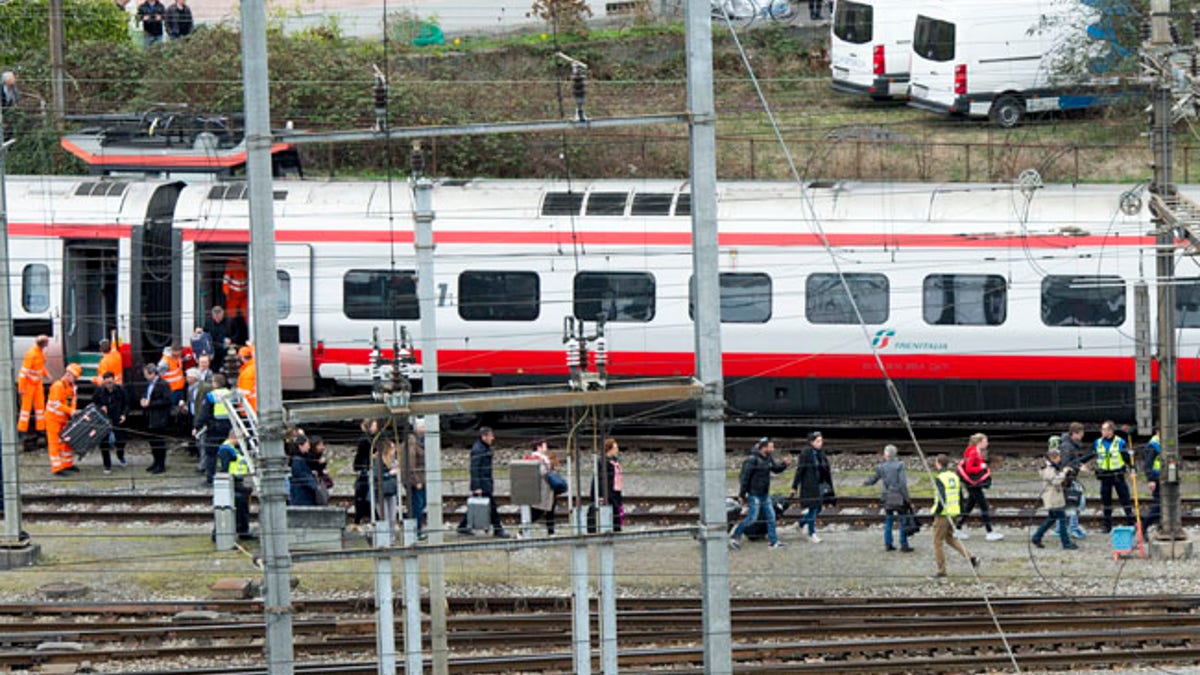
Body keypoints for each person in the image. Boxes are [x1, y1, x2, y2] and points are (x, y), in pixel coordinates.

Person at [729, 437, 790, 550]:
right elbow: (745, 478)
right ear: (764, 447)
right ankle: (735, 536)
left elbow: (775, 469)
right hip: (754, 494)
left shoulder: (768, 458)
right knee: (752, 518)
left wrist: (784, 465)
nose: (773, 449)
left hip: (764, 494)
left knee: (771, 517)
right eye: (771, 447)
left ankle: (773, 542)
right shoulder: (752, 460)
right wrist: (742, 494)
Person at [931, 454, 980, 579]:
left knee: (937, 542)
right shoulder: (954, 476)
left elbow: (942, 497)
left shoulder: (940, 478)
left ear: (938, 463)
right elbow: (960, 496)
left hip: (943, 514)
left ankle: (941, 571)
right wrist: (961, 512)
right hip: (954, 512)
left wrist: (937, 511)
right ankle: (971, 557)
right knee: (949, 538)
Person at [457, 427, 510, 538]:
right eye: (490, 436)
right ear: (484, 437)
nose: (492, 438)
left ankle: (462, 527)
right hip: (482, 484)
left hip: (485, 483)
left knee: (479, 505)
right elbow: (474, 469)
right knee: (492, 506)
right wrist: (477, 486)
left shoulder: (483, 448)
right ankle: (498, 529)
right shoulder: (478, 449)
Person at [863, 443, 913, 552]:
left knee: (889, 520)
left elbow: (874, 479)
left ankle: (888, 543)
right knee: (902, 520)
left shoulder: (882, 467)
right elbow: (902, 483)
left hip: (887, 497)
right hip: (899, 497)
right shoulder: (900, 465)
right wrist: (907, 498)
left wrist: (866, 483)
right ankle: (904, 544)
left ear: (886, 455)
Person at [956, 433, 1003, 541]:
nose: (987, 443)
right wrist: (981, 467)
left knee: (970, 506)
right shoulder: (974, 453)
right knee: (983, 506)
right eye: (985, 441)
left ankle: (958, 528)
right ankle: (989, 532)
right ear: (979, 442)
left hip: (972, 483)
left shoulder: (976, 452)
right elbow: (969, 469)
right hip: (973, 483)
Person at [791, 431, 834, 543]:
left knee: (818, 508)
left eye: (821, 441)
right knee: (813, 509)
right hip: (810, 486)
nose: (820, 443)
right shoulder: (806, 453)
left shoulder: (820, 453)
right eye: (818, 441)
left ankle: (800, 523)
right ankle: (811, 533)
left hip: (820, 484)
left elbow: (825, 467)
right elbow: (800, 470)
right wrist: (794, 486)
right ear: (811, 442)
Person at [1032, 447, 1078, 550]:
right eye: (1059, 457)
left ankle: (1036, 537)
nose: (1060, 459)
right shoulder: (1047, 469)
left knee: (1051, 519)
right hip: (1053, 498)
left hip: (1054, 498)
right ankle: (1066, 543)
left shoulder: (1052, 467)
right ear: (1053, 458)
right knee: (1062, 520)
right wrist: (1064, 472)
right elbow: (1055, 481)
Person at [1094, 420, 1135, 533]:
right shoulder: (1098, 442)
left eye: (1104, 429)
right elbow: (1090, 454)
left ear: (1111, 431)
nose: (1102, 431)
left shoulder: (1120, 442)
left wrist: (1132, 469)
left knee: (1125, 499)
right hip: (1105, 475)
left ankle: (1131, 523)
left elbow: (1128, 458)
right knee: (1106, 501)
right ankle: (1107, 525)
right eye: (1102, 429)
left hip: (1118, 475)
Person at [216, 428, 255, 540]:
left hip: (237, 482)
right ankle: (242, 531)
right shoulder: (226, 449)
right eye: (240, 438)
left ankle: (243, 530)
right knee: (237, 509)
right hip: (233, 483)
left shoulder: (233, 449)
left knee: (241, 508)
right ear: (234, 437)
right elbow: (225, 469)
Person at [193, 373, 232, 485]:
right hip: (228, 427)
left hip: (214, 427)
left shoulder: (211, 396)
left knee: (211, 453)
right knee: (226, 451)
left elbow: (204, 414)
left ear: (215, 383)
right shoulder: (229, 394)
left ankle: (211, 479)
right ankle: (226, 476)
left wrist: (197, 426)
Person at [45, 364, 82, 475]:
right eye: (73, 376)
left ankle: (67, 464)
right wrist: (71, 412)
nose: (74, 379)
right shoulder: (58, 386)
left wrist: (72, 412)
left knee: (66, 441)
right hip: (53, 419)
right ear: (68, 374)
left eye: (75, 377)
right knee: (54, 443)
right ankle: (57, 468)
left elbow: (73, 401)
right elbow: (57, 404)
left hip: (64, 419)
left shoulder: (72, 387)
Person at [18, 335, 51, 448]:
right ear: (42, 344)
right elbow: (23, 373)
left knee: (40, 408)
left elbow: (40, 367)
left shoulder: (40, 352)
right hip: (28, 385)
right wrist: (21, 388)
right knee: (26, 410)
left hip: (37, 384)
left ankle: (40, 428)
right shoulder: (31, 354)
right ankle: (22, 431)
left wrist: (47, 375)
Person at [1057, 422, 1088, 539]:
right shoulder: (1067, 446)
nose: (1082, 436)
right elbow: (1065, 465)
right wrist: (1079, 467)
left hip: (1070, 478)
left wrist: (1078, 464)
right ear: (1074, 433)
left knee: (1066, 504)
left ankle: (1060, 529)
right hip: (1068, 479)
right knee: (1077, 503)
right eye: (1081, 433)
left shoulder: (1070, 445)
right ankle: (1072, 528)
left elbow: (1071, 461)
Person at [93, 371, 129, 473]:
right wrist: (100, 407)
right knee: (104, 443)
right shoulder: (99, 391)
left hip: (118, 418)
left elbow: (127, 404)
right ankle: (107, 465)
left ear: (114, 381)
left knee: (121, 440)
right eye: (107, 383)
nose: (109, 385)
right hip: (104, 419)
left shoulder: (121, 390)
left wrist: (124, 414)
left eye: (111, 382)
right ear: (104, 382)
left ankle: (120, 455)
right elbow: (94, 403)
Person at [140, 362, 172, 474]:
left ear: (153, 373)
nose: (145, 376)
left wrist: (150, 403)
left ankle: (161, 465)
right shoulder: (149, 384)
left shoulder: (163, 384)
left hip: (159, 417)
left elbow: (167, 400)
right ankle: (155, 462)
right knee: (152, 442)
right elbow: (146, 394)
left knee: (159, 442)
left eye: (146, 374)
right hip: (149, 416)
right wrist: (143, 399)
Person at [524, 438, 557, 536]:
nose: (546, 447)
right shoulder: (538, 459)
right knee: (538, 512)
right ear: (539, 447)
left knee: (550, 510)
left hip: (546, 489)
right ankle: (521, 532)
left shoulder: (540, 458)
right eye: (544, 445)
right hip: (543, 489)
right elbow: (543, 473)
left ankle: (551, 532)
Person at [591, 437, 625, 533]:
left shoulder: (614, 462)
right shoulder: (603, 462)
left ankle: (616, 530)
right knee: (612, 515)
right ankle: (614, 531)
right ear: (609, 450)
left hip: (615, 492)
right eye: (615, 448)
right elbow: (599, 480)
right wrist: (600, 495)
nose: (617, 450)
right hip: (608, 493)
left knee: (616, 513)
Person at [403, 418, 428, 537]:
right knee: (418, 504)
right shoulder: (412, 443)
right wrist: (416, 481)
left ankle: (413, 526)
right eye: (424, 427)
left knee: (420, 503)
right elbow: (410, 463)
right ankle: (416, 530)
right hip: (415, 480)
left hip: (420, 478)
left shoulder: (418, 441)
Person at [353, 419, 378, 526]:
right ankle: (370, 517)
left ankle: (360, 518)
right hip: (366, 469)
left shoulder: (367, 438)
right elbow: (365, 455)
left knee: (363, 495)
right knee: (366, 495)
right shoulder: (366, 440)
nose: (376, 427)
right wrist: (372, 457)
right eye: (374, 425)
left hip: (364, 469)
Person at [373, 438, 400, 528]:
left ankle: (391, 538)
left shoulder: (393, 461)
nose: (394, 451)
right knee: (384, 517)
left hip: (391, 491)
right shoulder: (378, 461)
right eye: (392, 448)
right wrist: (389, 474)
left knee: (392, 517)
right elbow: (376, 475)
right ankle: (385, 539)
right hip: (381, 492)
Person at [289, 435, 320, 506]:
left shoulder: (299, 459)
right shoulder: (297, 460)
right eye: (307, 445)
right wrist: (314, 486)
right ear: (300, 446)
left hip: (301, 494)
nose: (309, 447)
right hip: (301, 496)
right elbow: (301, 476)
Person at [203, 306, 234, 372]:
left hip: (226, 349)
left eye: (219, 316)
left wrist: (231, 339)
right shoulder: (208, 322)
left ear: (222, 314)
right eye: (215, 317)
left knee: (226, 367)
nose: (217, 319)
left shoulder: (230, 321)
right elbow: (205, 334)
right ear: (212, 316)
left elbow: (238, 334)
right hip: (213, 349)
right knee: (213, 367)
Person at [1142, 430, 1162, 533]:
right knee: (1159, 504)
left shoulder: (1162, 442)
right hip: (1156, 477)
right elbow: (1148, 464)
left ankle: (1160, 525)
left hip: (1162, 477)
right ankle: (1144, 525)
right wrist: (1151, 479)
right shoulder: (1153, 444)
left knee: (1163, 504)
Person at [237, 345, 257, 413]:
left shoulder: (247, 372)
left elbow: (245, 392)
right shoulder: (255, 367)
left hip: (250, 407)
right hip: (256, 406)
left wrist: (242, 408)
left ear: (242, 358)